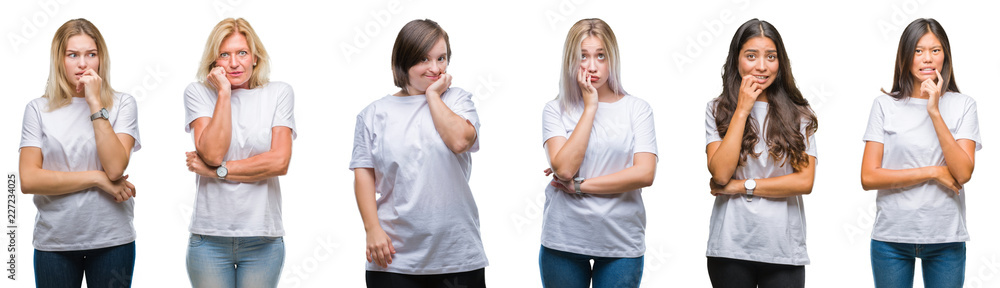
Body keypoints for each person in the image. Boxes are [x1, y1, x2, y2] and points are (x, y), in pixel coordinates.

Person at [350, 19, 488, 288]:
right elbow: (363, 175)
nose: (435, 68)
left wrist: (434, 96)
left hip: (456, 254)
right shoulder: (373, 114)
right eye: (424, 59)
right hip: (393, 257)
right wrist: (372, 230)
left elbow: (460, 140)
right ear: (404, 62)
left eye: (441, 58)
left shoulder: (458, 100)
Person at [19, 18, 140, 288]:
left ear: (101, 59)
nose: (83, 64)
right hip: (55, 242)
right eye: (73, 55)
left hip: (112, 241)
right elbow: (29, 180)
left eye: (91, 55)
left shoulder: (123, 104)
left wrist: (94, 101)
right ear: (60, 60)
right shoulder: (38, 109)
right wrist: (97, 179)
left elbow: (116, 168)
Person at [860, 18, 979, 288]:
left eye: (935, 50)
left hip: (945, 239)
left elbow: (962, 172)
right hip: (891, 239)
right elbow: (869, 177)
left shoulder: (963, 105)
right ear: (906, 56)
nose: (927, 59)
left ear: (945, 56)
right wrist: (933, 172)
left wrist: (934, 111)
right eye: (918, 51)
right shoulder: (884, 106)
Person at [539, 18, 657, 288]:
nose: (592, 66)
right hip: (564, 238)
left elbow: (645, 173)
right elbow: (565, 169)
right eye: (583, 56)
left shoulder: (637, 109)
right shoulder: (555, 110)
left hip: (621, 242)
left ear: (611, 59)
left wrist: (580, 186)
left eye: (600, 56)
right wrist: (590, 106)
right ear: (571, 60)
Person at [704, 18, 817, 288]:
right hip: (730, 248)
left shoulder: (799, 114)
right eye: (751, 56)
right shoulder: (717, 109)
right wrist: (743, 109)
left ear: (781, 62)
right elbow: (720, 173)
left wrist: (742, 187)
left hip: (783, 249)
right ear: (736, 60)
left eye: (771, 57)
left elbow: (804, 181)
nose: (762, 66)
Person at [183, 18, 295, 288]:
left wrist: (218, 171)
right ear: (214, 61)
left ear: (255, 57)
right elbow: (211, 152)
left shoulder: (279, 93)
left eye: (242, 53)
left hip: (263, 238)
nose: (234, 63)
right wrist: (223, 94)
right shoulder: (198, 93)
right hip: (209, 238)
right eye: (224, 55)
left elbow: (279, 161)